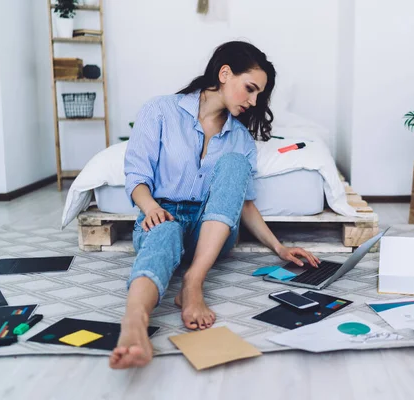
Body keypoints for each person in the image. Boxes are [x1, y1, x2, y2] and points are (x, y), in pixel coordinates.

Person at [109, 41, 320, 369]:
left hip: (211, 232)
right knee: (164, 233)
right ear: (224, 73)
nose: (252, 101)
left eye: (258, 96)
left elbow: (243, 203)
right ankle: (134, 322)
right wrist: (150, 208)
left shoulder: (241, 139)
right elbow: (136, 175)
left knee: (235, 163)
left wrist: (279, 248)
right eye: (250, 89)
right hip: (161, 213)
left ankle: (193, 282)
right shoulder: (160, 110)